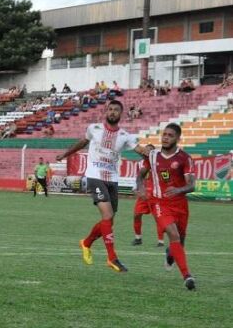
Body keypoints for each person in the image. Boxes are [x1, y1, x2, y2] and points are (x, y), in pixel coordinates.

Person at [56, 100, 149, 273]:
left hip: (112, 179)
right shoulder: (94, 129)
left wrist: (157, 153)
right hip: (94, 176)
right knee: (107, 214)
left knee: (109, 220)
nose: (113, 112)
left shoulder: (125, 136)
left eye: (116, 110)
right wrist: (65, 154)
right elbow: (82, 142)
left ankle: (86, 243)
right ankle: (112, 258)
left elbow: (140, 149)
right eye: (110, 109)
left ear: (121, 114)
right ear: (106, 112)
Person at [136, 123, 196, 290]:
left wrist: (178, 189)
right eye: (164, 134)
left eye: (170, 135)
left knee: (179, 242)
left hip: (180, 204)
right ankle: (187, 276)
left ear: (177, 138)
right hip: (159, 203)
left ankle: (170, 254)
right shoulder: (152, 156)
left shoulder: (184, 158)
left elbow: (192, 185)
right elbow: (140, 176)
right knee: (174, 235)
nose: (165, 137)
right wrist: (140, 188)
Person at [132, 149, 165, 247]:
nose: (146, 152)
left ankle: (161, 241)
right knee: (136, 215)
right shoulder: (140, 163)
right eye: (146, 150)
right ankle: (138, 238)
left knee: (158, 217)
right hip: (143, 194)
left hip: (155, 194)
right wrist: (136, 188)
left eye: (150, 150)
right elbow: (138, 177)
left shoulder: (159, 163)